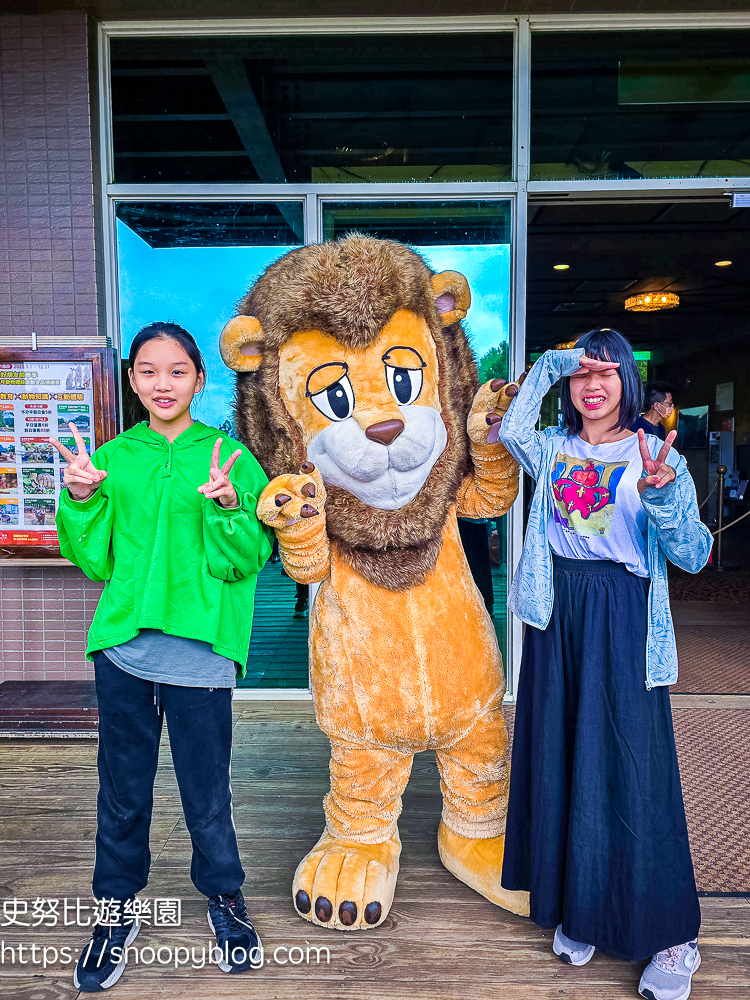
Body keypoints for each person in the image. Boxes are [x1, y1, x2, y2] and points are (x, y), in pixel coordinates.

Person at [51, 322, 273, 992]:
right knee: (121, 793)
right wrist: (83, 498)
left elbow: (249, 559)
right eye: (148, 371)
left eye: (177, 371)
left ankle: (225, 900)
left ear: (199, 379)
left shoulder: (229, 456)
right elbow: (92, 559)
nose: (162, 384)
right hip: (122, 650)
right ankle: (115, 912)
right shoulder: (114, 459)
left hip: (202, 655)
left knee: (207, 794)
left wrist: (231, 508)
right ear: (132, 380)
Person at [495, 329, 712, 1000]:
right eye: (582, 373)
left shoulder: (653, 454)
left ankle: (675, 938)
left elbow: (695, 553)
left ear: (628, 384)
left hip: (622, 612)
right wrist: (551, 363)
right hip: (560, 611)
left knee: (633, 768)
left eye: (608, 372)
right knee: (563, 760)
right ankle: (582, 910)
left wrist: (664, 494)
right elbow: (510, 426)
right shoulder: (554, 448)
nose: (594, 384)